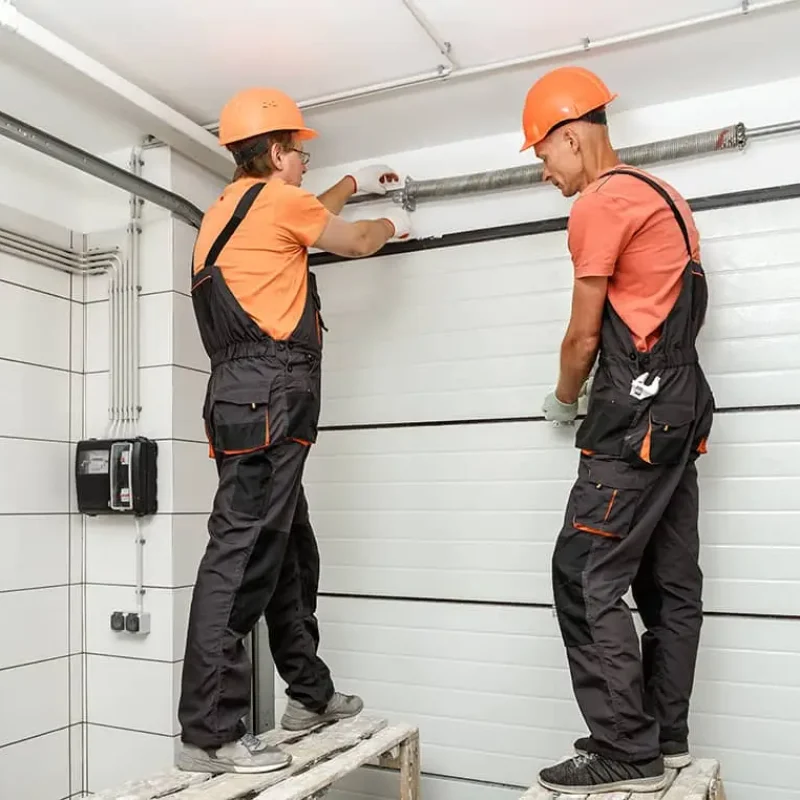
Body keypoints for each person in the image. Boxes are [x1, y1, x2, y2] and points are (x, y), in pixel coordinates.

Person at [176, 86, 412, 775]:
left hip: (243, 397)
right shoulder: (277, 202)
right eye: (301, 153)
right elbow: (358, 239)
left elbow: (311, 216)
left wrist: (350, 183)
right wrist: (395, 222)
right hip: (270, 395)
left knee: (287, 549)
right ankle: (209, 734)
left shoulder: (232, 209)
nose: (305, 163)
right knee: (245, 555)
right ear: (276, 153)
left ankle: (308, 694)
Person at [520, 66, 715, 794]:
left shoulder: (601, 203)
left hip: (633, 412)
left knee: (583, 572)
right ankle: (665, 735)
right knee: (668, 580)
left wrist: (565, 398)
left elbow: (582, 335)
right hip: (679, 402)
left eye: (544, 155)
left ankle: (623, 747)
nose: (546, 172)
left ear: (572, 136)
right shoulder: (667, 198)